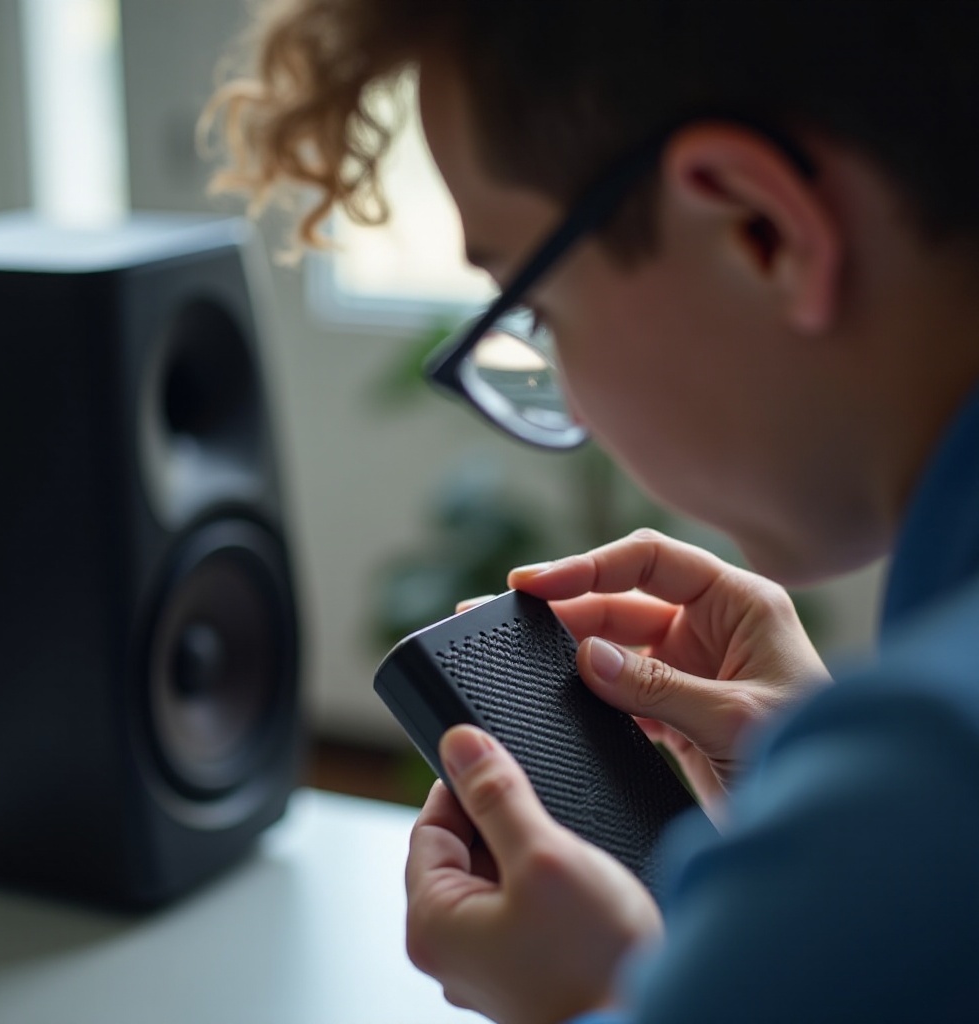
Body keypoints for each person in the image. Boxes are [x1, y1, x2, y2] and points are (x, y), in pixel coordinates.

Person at [207, 1, 979, 1020]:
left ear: (757, 230)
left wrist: (595, 1000)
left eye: (537, 307)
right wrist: (827, 814)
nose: (569, 403)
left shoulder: (936, 776)